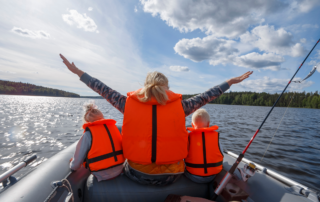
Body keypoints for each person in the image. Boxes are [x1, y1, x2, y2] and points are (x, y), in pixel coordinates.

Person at [60, 54, 252, 185]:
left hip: (138, 175)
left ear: (145, 86)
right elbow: (207, 95)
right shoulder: (181, 106)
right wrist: (229, 82)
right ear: (167, 87)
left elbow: (101, 88)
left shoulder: (127, 104)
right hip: (173, 176)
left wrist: (78, 72)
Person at [70, 101, 125, 181]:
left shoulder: (88, 135)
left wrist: (73, 166)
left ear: (87, 120)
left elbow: (77, 161)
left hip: (101, 174)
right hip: (119, 169)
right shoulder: (114, 128)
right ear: (102, 117)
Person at [184, 108, 223, 183]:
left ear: (192, 124)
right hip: (212, 175)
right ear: (208, 124)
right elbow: (221, 153)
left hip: (192, 175)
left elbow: (183, 155)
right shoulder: (216, 138)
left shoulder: (188, 138)